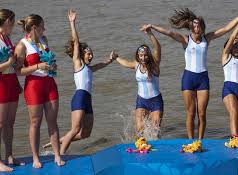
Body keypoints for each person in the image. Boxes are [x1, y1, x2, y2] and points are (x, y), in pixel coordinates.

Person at [144, 8, 238, 139]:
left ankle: (200, 140)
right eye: (194, 25)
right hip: (188, 78)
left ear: (202, 27)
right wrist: (152, 27)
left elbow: (225, 29)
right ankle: (191, 141)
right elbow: (169, 33)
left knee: (201, 114)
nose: (196, 27)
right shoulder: (185, 40)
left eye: (198, 25)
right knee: (190, 113)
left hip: (203, 79)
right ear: (191, 27)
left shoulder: (207, 38)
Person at [43, 9, 116, 154]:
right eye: (88, 52)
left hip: (87, 99)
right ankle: (61, 154)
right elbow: (76, 42)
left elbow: (100, 65)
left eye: (91, 52)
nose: (90, 54)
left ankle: (59, 141)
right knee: (75, 129)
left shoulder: (89, 68)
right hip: (79, 97)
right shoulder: (78, 64)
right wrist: (72, 23)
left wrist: (111, 60)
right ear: (81, 54)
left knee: (85, 133)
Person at [15, 14, 65, 168]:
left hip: (49, 83)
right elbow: (18, 71)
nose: (45, 28)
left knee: (52, 121)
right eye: (43, 26)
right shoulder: (22, 45)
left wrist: (52, 66)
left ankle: (57, 155)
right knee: (35, 122)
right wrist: (38, 66)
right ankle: (36, 158)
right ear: (35, 28)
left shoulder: (45, 40)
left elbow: (49, 61)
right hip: (34, 86)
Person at [114, 24, 162, 139]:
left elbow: (158, 48)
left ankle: (155, 150)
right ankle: (139, 149)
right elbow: (126, 63)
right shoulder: (136, 65)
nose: (143, 57)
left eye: (145, 55)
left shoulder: (154, 65)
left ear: (148, 56)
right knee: (139, 129)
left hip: (156, 101)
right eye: (141, 55)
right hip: (141, 100)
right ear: (138, 56)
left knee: (155, 130)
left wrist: (150, 33)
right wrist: (116, 58)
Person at [0, 8, 24, 172]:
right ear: (6, 21)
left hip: (10, 81)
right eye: (12, 22)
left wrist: (16, 64)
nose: (13, 25)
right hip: (1, 82)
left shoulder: (7, 38)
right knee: (0, 123)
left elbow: (12, 62)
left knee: (10, 122)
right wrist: (9, 64)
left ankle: (9, 155)